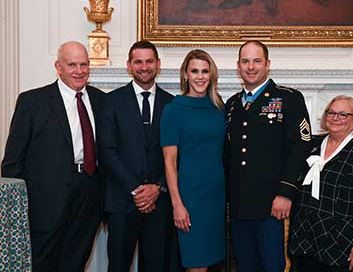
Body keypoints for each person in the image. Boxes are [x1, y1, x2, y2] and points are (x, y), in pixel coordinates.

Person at [1, 41, 104, 272]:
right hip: (45, 202)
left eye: (84, 64)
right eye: (72, 65)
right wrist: (18, 207)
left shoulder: (100, 100)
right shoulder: (32, 101)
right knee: (42, 263)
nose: (79, 71)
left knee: (77, 261)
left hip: (88, 195)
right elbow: (12, 161)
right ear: (58, 67)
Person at [225, 40, 312, 272]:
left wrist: (286, 192)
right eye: (245, 61)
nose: (251, 67)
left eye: (257, 61)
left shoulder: (288, 99)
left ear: (267, 64)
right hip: (240, 207)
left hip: (272, 206)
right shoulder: (232, 105)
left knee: (273, 266)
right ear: (238, 66)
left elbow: (301, 148)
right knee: (245, 266)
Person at [98, 40, 180, 272]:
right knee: (118, 266)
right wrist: (136, 189)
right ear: (129, 65)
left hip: (160, 204)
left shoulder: (172, 104)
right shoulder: (111, 101)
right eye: (138, 62)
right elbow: (107, 151)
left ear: (158, 64)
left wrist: (157, 188)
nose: (144, 67)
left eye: (149, 61)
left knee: (157, 266)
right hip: (122, 202)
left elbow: (177, 155)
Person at [289, 95, 353, 272]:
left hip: (345, 245)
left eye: (343, 114)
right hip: (308, 242)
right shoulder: (313, 144)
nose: (336, 118)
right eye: (331, 113)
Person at [160, 49, 226, 272]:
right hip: (190, 195)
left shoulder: (218, 108)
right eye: (194, 71)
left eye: (205, 71)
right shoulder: (173, 111)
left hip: (216, 195)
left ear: (211, 75)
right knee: (195, 263)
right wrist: (177, 204)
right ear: (185, 75)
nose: (200, 76)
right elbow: (169, 162)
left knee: (208, 262)